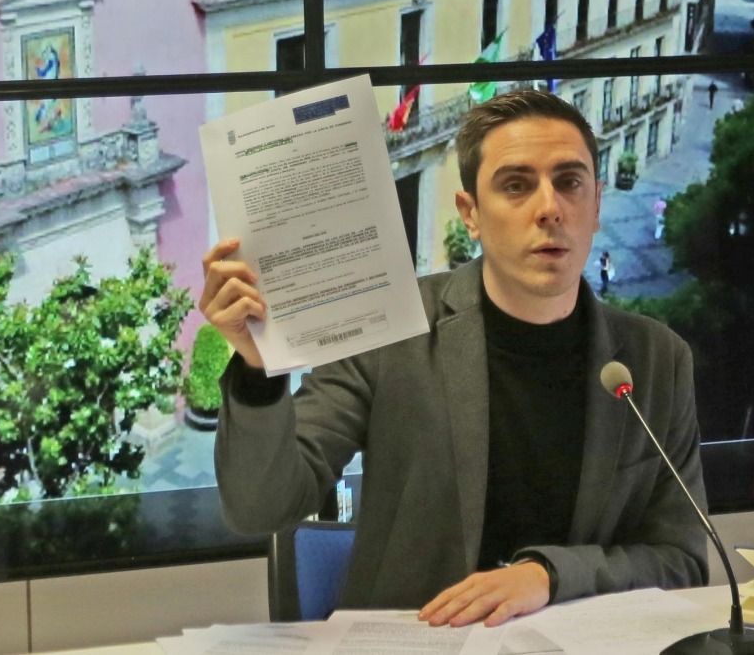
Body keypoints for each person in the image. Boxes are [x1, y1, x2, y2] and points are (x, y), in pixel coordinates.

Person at [201, 89, 707, 626]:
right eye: (516, 186)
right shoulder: (393, 329)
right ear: (470, 213)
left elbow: (683, 562)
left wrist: (549, 576)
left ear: (597, 204)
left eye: (569, 182)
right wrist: (257, 370)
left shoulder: (655, 361)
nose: (549, 209)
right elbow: (261, 507)